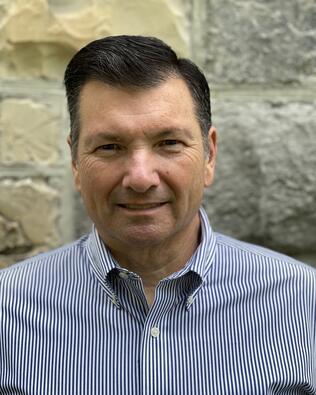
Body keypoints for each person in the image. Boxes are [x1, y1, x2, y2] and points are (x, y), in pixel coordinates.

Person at [0, 35, 315, 394]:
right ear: (75, 162)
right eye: (110, 147)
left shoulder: (302, 301)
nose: (140, 177)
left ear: (209, 156)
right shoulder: (8, 310)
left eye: (168, 143)